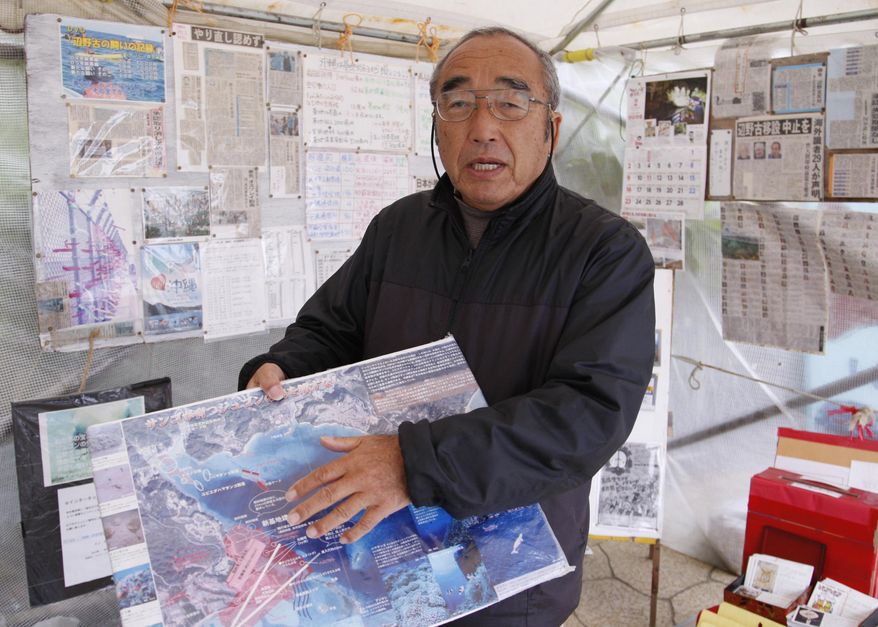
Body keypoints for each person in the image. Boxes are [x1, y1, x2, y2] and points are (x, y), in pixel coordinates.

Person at [239, 26, 655, 625]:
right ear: (437, 124)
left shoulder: (603, 251)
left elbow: (587, 416)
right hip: (382, 557)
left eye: (511, 103)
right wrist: (282, 367)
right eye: (458, 104)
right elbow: (331, 329)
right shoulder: (397, 229)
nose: (483, 126)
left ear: (552, 130)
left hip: (509, 581)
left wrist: (413, 463)